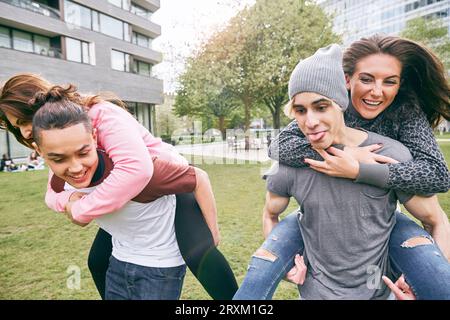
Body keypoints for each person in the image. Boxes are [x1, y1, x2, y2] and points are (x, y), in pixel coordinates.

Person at [236, 35, 450, 299]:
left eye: (389, 81)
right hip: (318, 216)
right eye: (367, 79)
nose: (376, 91)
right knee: (258, 274)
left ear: (399, 84)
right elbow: (279, 146)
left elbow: (437, 175)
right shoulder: (328, 100)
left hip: (380, 213)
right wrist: (343, 152)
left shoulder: (404, 112)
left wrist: (362, 171)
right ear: (347, 81)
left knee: (436, 279)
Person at [0, 73, 238, 300]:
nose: (24, 131)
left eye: (23, 120)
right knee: (98, 261)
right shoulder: (55, 137)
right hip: (127, 193)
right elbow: (54, 190)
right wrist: (70, 202)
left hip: (169, 183)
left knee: (198, 252)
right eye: (16, 126)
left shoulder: (97, 114)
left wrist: (83, 209)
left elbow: (136, 170)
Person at [31, 96, 216, 299]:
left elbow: (199, 177)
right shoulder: (61, 182)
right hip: (118, 262)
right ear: (39, 151)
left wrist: (212, 231)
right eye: (58, 158)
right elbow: (52, 197)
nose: (75, 168)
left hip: (160, 269)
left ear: (94, 138)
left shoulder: (142, 171)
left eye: (83, 153)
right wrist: (68, 202)